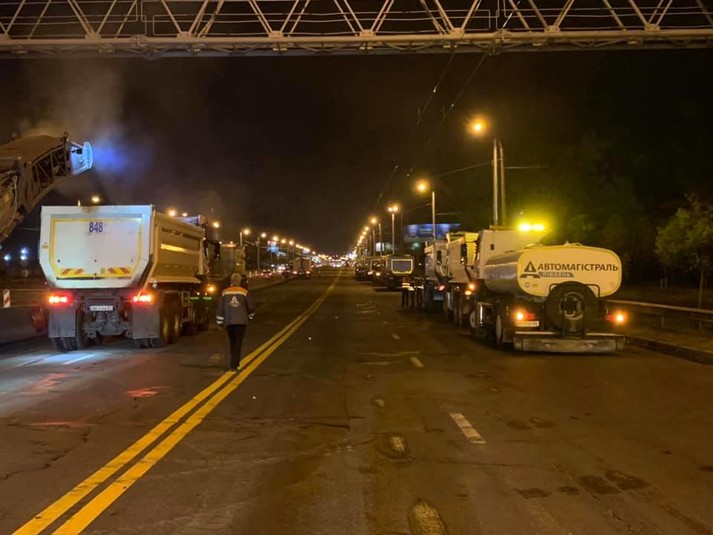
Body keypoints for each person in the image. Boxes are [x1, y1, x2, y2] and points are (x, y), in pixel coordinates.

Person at [216, 273, 255, 371]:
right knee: (238, 342)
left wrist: (219, 322)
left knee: (232, 342)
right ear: (240, 281)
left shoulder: (225, 292)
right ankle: (234, 364)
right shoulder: (244, 292)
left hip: (229, 321)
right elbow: (250, 307)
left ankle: (233, 363)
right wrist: (250, 317)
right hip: (241, 322)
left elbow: (220, 309)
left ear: (231, 281)